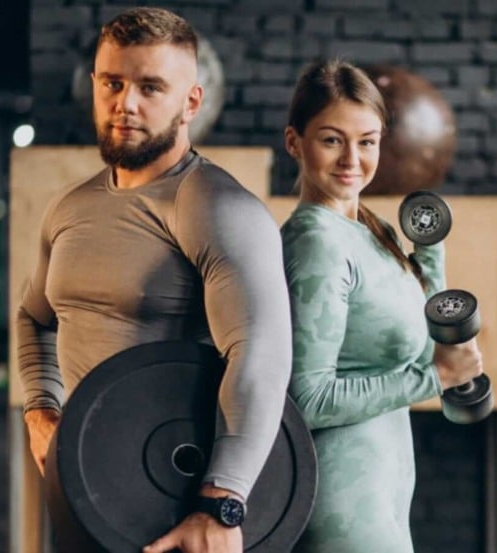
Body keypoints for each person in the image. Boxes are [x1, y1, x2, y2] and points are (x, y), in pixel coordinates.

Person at [15, 8, 292, 553]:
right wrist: (40, 410)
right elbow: (33, 316)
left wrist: (221, 502)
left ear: (191, 101)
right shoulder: (70, 207)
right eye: (113, 83)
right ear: (94, 85)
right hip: (84, 486)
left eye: (150, 87)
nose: (126, 103)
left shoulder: (216, 206)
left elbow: (262, 354)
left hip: (179, 501)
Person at [280, 59, 484, 552]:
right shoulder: (317, 243)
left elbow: (420, 348)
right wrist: (436, 379)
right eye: (332, 140)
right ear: (294, 143)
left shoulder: (372, 231)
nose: (352, 158)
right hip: (342, 507)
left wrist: (430, 254)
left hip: (381, 499)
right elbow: (306, 400)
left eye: (366, 141)